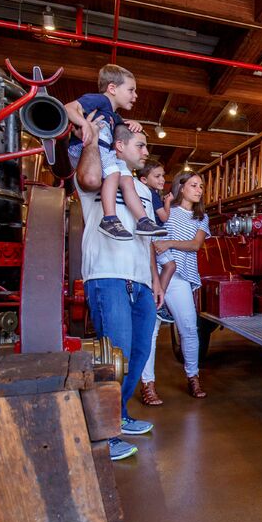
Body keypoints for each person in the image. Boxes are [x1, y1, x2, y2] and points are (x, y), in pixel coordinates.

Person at [77, 124, 164, 460]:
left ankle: (119, 414)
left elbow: (148, 237)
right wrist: (92, 135)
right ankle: (102, 431)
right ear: (120, 145)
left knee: (139, 354)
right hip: (107, 274)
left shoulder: (139, 189)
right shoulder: (96, 177)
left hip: (141, 279)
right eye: (140, 146)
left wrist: (155, 280)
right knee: (114, 357)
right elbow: (85, 178)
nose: (145, 152)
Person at [64, 64, 166, 241]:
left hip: (105, 151)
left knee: (126, 178)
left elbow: (120, 126)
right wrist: (85, 124)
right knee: (114, 173)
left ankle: (143, 220)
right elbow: (69, 108)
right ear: (112, 88)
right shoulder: (99, 100)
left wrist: (132, 122)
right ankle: (109, 218)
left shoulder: (113, 115)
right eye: (131, 90)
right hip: (84, 149)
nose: (135, 95)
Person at [140, 171, 211, 404]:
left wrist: (169, 243)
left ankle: (193, 377)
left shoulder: (202, 218)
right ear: (181, 187)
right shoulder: (167, 212)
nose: (199, 190)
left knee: (189, 329)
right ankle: (148, 385)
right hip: (156, 274)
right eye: (193, 185)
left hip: (181, 276)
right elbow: (152, 239)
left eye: (201, 186)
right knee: (150, 333)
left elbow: (195, 245)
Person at [138, 160, 176, 326]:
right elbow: (164, 218)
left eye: (163, 176)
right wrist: (168, 203)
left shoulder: (149, 193)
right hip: (154, 237)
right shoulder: (151, 195)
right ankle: (159, 298)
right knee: (170, 265)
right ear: (144, 180)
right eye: (157, 176)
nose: (162, 179)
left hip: (152, 236)